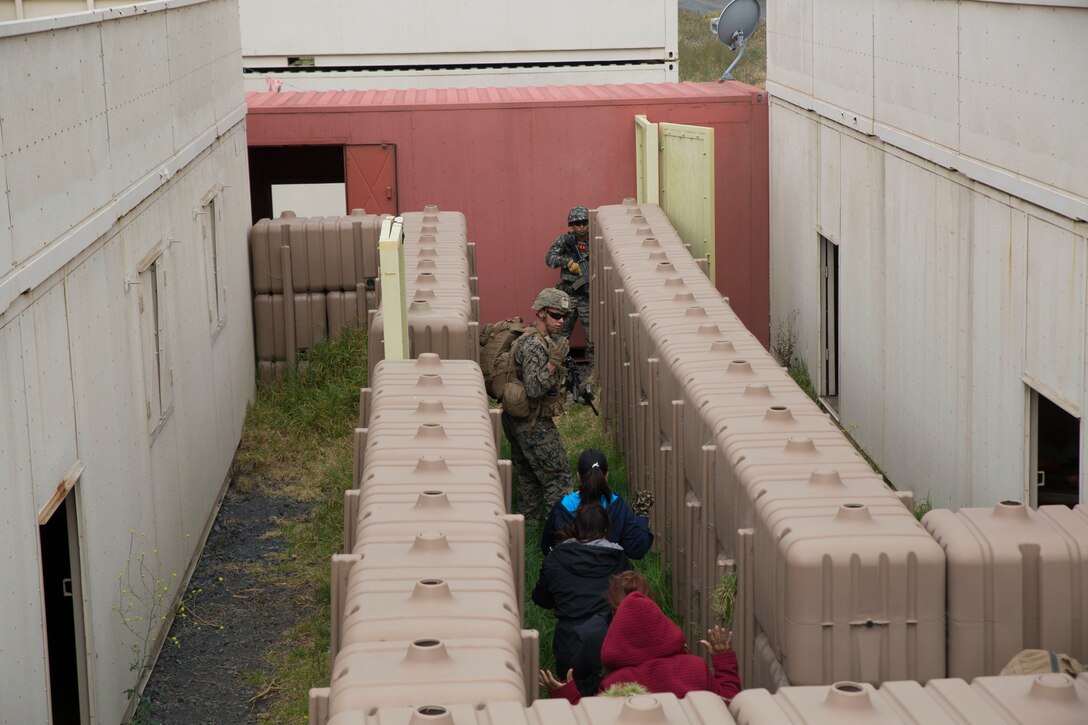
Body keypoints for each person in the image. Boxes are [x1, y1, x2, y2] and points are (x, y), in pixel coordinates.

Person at [540, 591, 741, 705]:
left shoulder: (616, 684)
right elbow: (731, 702)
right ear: (665, 628)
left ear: (616, 638)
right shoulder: (695, 668)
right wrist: (723, 659)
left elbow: (594, 720)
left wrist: (567, 695)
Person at [532, 504, 632, 679]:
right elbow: (633, 601)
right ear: (607, 529)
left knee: (571, 697)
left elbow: (542, 599)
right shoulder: (619, 560)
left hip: (569, 640)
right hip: (608, 637)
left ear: (575, 528)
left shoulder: (555, 557)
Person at [502, 287, 572, 518]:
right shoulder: (534, 345)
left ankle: (527, 531)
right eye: (555, 315)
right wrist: (553, 363)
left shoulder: (540, 339)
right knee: (559, 477)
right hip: (532, 423)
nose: (561, 321)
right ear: (541, 313)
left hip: (519, 421)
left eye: (564, 316)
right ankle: (559, 535)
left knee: (529, 478)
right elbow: (533, 389)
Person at [540, 449, 653, 560]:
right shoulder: (618, 505)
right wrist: (641, 514)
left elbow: (547, 547)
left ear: (578, 476)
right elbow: (636, 549)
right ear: (606, 476)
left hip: (569, 575)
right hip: (609, 575)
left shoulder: (563, 506)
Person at [566, 571, 655, 696]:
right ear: (649, 598)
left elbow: (576, 674)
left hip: (606, 704)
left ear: (610, 599)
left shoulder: (596, 636)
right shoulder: (664, 635)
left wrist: (568, 693)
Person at [545, 205, 593, 363]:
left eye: (584, 222)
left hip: (589, 297)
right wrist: (568, 262)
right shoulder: (566, 241)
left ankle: (595, 377)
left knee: (594, 340)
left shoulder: (597, 241)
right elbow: (550, 259)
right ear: (571, 225)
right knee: (559, 338)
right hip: (569, 296)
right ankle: (559, 374)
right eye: (577, 223)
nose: (581, 226)